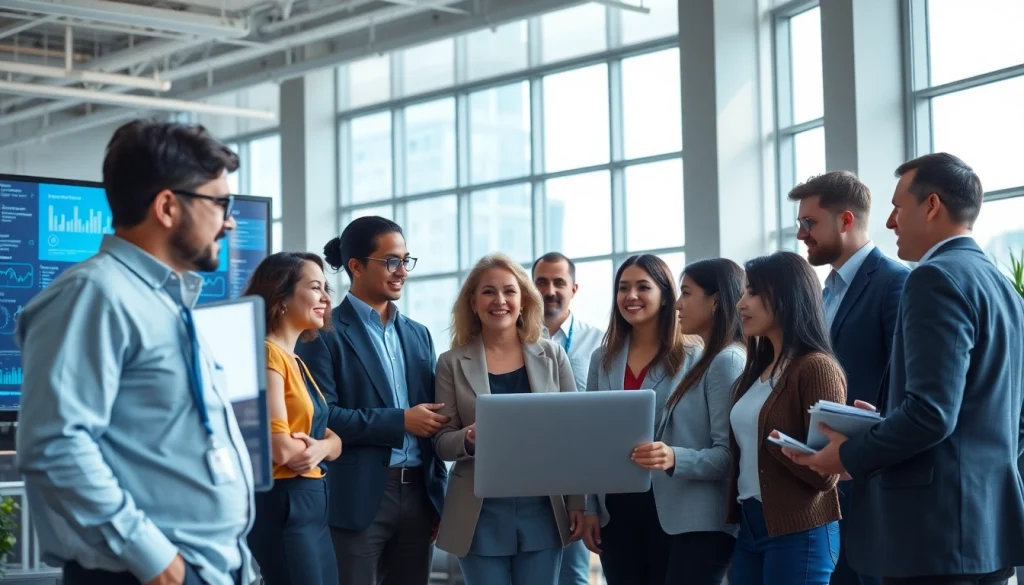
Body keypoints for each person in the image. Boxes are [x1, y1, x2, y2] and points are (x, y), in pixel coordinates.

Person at [15, 120, 254, 585]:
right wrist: (159, 563)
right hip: (144, 574)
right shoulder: (95, 294)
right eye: (220, 203)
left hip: (207, 567)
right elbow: (55, 444)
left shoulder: (166, 300)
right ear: (167, 206)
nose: (229, 221)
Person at [787, 153, 1024, 585]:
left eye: (898, 207)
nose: (890, 222)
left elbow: (932, 413)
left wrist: (849, 453)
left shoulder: (934, 278)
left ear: (931, 205)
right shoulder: (1003, 287)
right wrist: (883, 422)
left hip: (933, 534)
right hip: (988, 529)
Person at [295, 216, 448, 585]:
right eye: (391, 261)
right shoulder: (322, 333)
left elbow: (433, 417)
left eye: (405, 261)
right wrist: (400, 420)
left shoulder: (419, 335)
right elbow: (323, 417)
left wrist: (438, 497)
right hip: (356, 499)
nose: (402, 271)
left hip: (419, 497)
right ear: (356, 266)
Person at [432, 253, 585, 585]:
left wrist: (577, 502)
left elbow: (573, 435)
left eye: (509, 291)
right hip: (478, 514)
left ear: (523, 300)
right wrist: (468, 439)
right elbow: (441, 442)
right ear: (473, 302)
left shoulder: (552, 355)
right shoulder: (450, 362)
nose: (499, 300)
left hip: (543, 510)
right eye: (488, 291)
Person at [788, 171, 909, 585]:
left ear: (845, 220)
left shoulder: (895, 283)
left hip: (870, 482)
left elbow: (904, 384)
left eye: (810, 222)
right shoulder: (825, 292)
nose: (801, 234)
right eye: (799, 223)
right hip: (828, 483)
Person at [580, 254, 701, 585]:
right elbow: (591, 437)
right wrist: (591, 508)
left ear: (665, 296)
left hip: (671, 502)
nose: (630, 296)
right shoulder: (602, 358)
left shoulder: (693, 355)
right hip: (615, 504)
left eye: (643, 287)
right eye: (623, 288)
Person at [728, 251, 846, 585]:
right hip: (750, 524)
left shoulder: (816, 368)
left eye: (752, 292)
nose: (740, 304)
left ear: (785, 296)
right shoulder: (757, 370)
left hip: (799, 529)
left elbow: (827, 476)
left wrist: (781, 447)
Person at [627, 258, 745, 584]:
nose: (677, 304)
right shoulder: (705, 358)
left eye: (687, 293)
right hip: (686, 521)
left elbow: (728, 455)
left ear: (716, 301)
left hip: (706, 524)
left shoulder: (726, 361)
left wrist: (673, 457)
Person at [242, 252, 341, 585]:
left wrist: (319, 449)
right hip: (286, 501)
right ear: (281, 296)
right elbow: (281, 448)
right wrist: (323, 447)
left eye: (325, 288)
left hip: (313, 501)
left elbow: (334, 439)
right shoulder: (267, 353)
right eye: (315, 287)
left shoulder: (295, 360)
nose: (326, 298)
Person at [531, 251, 604, 585]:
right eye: (542, 282)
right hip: (532, 469)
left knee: (574, 574)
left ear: (573, 289)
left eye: (559, 282)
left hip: (579, 470)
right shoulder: (516, 340)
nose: (550, 291)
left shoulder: (599, 341)